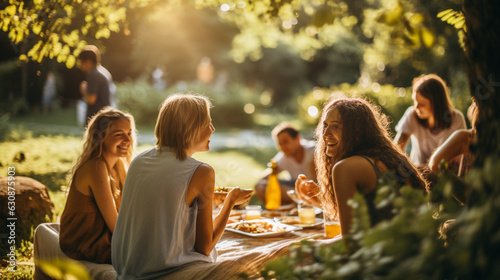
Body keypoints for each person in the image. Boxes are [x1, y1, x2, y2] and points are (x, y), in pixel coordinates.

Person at [112, 93, 252, 279]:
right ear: (191, 128)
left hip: (128, 269)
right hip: (168, 272)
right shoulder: (201, 172)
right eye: (207, 124)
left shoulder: (138, 161)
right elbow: (205, 247)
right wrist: (230, 201)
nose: (213, 129)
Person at [296, 97, 427, 236]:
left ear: (357, 131)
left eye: (336, 126)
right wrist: (321, 201)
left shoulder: (345, 168)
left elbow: (350, 242)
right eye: (325, 125)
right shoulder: (387, 159)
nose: (325, 134)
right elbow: (373, 219)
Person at [59, 107, 136, 264]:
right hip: (85, 241)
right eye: (119, 134)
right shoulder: (96, 166)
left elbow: (128, 210)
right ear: (100, 137)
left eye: (128, 133)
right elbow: (116, 226)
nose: (128, 140)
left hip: (103, 234)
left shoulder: (118, 166)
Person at [394, 74, 466, 166]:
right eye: (415, 101)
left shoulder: (456, 119)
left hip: (444, 176)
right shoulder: (412, 114)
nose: (416, 107)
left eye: (422, 104)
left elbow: (449, 163)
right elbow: (397, 147)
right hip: (416, 173)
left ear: (436, 104)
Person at [254, 122, 316, 205]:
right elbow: (266, 177)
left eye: (285, 142)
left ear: (297, 139)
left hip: (313, 188)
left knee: (307, 192)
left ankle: (299, 205)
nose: (283, 147)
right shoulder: (284, 156)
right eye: (280, 144)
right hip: (294, 186)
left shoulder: (312, 151)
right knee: (261, 186)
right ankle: (286, 209)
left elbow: (312, 185)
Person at [429, 98, 478, 177]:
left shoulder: (467, 137)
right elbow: (435, 164)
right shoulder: (467, 136)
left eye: (475, 102)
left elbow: (435, 164)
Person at [78, 48, 111, 126]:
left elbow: (91, 99)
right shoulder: (102, 72)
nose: (80, 66)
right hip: (104, 118)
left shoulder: (93, 74)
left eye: (82, 62)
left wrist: (83, 90)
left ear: (88, 61)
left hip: (96, 120)